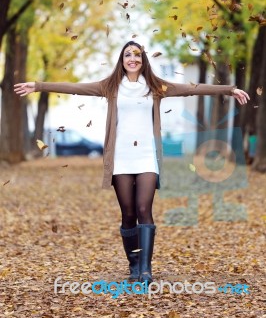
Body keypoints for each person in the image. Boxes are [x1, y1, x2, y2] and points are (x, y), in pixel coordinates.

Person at [14, 41, 250, 284]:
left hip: (147, 155)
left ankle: (146, 269)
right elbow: (76, 87)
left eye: (137, 55)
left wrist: (229, 90)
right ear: (122, 60)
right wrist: (38, 86)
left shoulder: (158, 86)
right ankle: (134, 264)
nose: (132, 59)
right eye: (128, 55)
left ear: (143, 59)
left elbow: (192, 88)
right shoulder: (110, 86)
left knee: (143, 209)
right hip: (120, 158)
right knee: (128, 214)